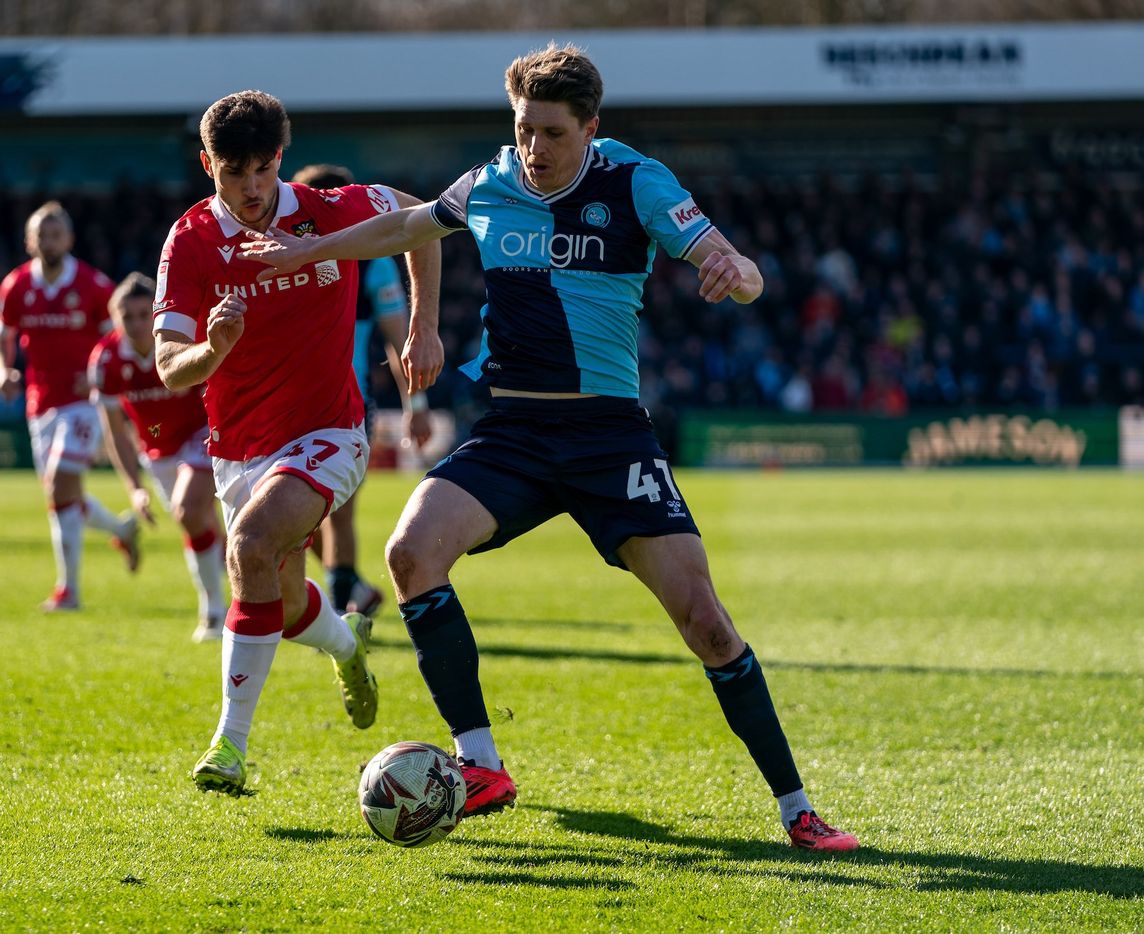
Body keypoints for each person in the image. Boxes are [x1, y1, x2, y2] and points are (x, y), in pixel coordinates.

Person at [240, 46, 858, 851]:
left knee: (706, 623)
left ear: (591, 129)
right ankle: (481, 763)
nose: (534, 148)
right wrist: (307, 250)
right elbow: (405, 226)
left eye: (553, 133)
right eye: (524, 129)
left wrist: (736, 271)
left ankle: (797, 809)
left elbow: (730, 263)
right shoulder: (491, 181)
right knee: (411, 553)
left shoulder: (634, 182)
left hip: (609, 438)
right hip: (514, 434)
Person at [152, 90, 442, 795]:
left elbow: (430, 222)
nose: (252, 188)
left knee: (250, 546)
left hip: (329, 432)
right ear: (208, 166)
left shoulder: (330, 210)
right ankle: (347, 644)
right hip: (238, 448)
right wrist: (214, 349)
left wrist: (423, 328)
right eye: (234, 173)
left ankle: (230, 745)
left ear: (280, 157)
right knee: (277, 603)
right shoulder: (189, 240)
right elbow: (168, 366)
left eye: (263, 169)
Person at [291, 164, 433, 617]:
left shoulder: (373, 263)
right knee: (289, 519)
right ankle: (350, 589)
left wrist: (417, 404)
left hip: (347, 404)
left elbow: (399, 341)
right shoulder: (281, 254)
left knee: (339, 514)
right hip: (285, 401)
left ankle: (338, 616)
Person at [0, 201, 140, 612]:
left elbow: (118, 336)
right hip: (40, 403)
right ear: (29, 241)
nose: (49, 242)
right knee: (64, 498)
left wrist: (98, 374)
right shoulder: (17, 284)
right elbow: (0, 334)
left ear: (69, 239)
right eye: (41, 235)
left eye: (56, 235)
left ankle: (68, 591)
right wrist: (2, 370)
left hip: (85, 404)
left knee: (59, 485)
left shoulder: (93, 284)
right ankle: (121, 530)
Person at [89, 272, 227, 642]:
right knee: (206, 529)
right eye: (127, 316)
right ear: (114, 318)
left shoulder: (181, 341)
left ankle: (214, 614)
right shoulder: (105, 361)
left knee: (187, 510)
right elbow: (116, 432)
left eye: (143, 315)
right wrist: (134, 488)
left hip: (202, 434)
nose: (136, 324)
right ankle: (267, 594)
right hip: (157, 451)